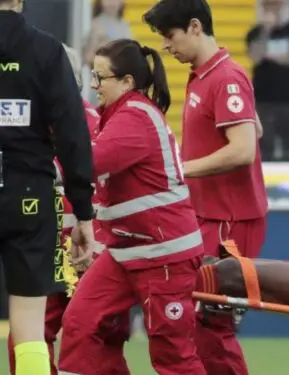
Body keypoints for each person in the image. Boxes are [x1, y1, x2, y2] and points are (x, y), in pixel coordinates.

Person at [56, 39, 206, 375]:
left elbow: (88, 162)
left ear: (127, 82)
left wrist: (31, 168)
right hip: (126, 250)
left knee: (173, 354)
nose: (93, 86)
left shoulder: (135, 116)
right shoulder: (118, 116)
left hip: (163, 254)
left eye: (100, 78)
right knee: (80, 324)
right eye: (92, 77)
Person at [143, 1, 267, 372]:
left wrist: (180, 168)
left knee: (210, 323)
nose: (166, 46)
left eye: (170, 36)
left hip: (231, 220)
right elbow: (255, 129)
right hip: (209, 216)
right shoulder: (204, 74)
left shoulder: (226, 77)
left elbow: (244, 149)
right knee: (198, 321)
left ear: (195, 26)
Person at [0, 2, 95, 374]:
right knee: (29, 327)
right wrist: (83, 211)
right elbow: (73, 134)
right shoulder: (47, 50)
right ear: (21, 1)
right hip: (29, 196)